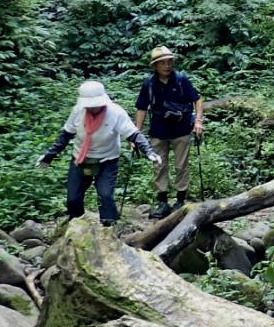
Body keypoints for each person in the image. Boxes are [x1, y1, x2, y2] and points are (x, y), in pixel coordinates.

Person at [39, 81, 161, 226]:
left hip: (107, 160)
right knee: (73, 199)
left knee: (105, 196)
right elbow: (66, 135)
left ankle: (109, 228)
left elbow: (133, 134)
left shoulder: (115, 112)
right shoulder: (78, 111)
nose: (92, 107)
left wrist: (148, 151)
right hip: (80, 159)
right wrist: (49, 156)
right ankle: (77, 227)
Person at [134, 47, 205, 219]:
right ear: (155, 66)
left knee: (181, 166)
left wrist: (198, 121)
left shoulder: (181, 80)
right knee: (159, 166)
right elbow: (141, 108)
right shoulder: (149, 84)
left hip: (181, 130)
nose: (167, 65)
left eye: (169, 62)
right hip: (158, 131)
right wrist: (136, 133)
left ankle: (181, 200)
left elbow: (197, 99)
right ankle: (162, 202)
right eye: (163, 63)